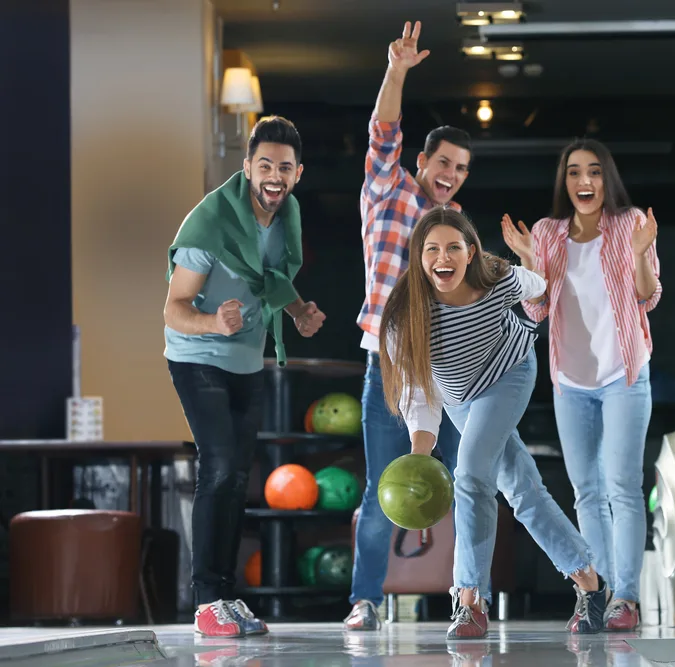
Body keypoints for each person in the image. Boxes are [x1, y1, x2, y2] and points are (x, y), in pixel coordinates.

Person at [379, 207, 609, 639]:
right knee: (522, 489)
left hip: (510, 373)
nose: (442, 257)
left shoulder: (498, 278)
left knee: (469, 476)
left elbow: (538, 285)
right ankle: (590, 582)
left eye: (453, 247)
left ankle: (469, 599)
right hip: (460, 397)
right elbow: (418, 392)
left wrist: (534, 274)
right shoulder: (403, 316)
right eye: (431, 249)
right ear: (419, 257)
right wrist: (419, 455)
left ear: (470, 253)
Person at [163, 116, 326, 637]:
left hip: (247, 362)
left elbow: (271, 278)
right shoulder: (209, 222)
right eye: (264, 165)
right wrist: (214, 322)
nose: (274, 176)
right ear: (246, 168)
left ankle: (225, 594)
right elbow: (173, 308)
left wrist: (298, 312)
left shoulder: (287, 216)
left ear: (297, 173)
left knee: (237, 476)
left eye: (284, 167)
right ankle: (207, 600)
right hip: (196, 356)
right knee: (217, 467)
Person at [500, 138, 660, 631]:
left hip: (623, 374)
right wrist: (529, 260)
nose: (584, 182)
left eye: (593, 172)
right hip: (570, 379)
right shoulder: (548, 232)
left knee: (623, 487)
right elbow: (535, 308)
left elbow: (648, 296)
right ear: (564, 181)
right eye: (574, 173)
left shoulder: (630, 223)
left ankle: (627, 599)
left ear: (605, 178)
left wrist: (638, 253)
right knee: (586, 492)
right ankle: (603, 594)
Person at [346, 20, 473, 632]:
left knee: (459, 485)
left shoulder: (452, 230)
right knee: (381, 488)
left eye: (461, 168)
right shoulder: (389, 190)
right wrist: (396, 71)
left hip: (446, 371)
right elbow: (383, 132)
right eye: (443, 162)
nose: (450, 174)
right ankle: (364, 600)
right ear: (423, 161)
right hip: (388, 365)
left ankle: (465, 600)